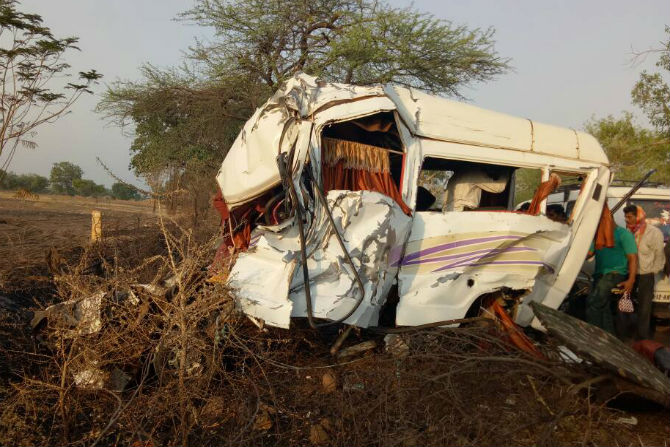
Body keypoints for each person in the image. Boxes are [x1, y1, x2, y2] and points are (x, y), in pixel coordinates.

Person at [586, 220, 638, 335]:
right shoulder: (598, 235)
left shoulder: (624, 234)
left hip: (615, 273)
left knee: (594, 302)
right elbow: (589, 254)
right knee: (603, 308)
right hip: (600, 274)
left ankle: (594, 337)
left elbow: (633, 258)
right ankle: (609, 338)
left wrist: (631, 280)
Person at [623, 205, 665, 340]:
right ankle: (625, 334)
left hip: (645, 274)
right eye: (626, 216)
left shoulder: (653, 233)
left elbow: (659, 255)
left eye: (629, 217)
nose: (626, 219)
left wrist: (652, 271)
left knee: (644, 307)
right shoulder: (628, 232)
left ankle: (642, 338)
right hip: (630, 273)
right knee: (625, 303)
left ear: (638, 216)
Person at [443, 166, 508, 211]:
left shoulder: (457, 175)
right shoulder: (473, 172)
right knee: (503, 209)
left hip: (450, 211)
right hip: (463, 212)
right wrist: (507, 170)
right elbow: (499, 187)